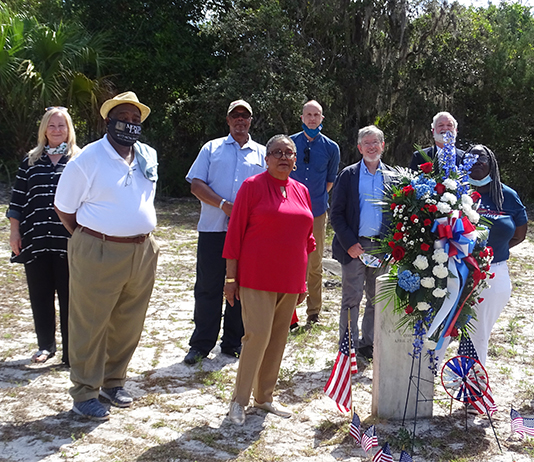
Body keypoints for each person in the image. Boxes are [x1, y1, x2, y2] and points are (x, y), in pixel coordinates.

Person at [54, 91, 159, 421]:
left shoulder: (148, 156)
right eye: (124, 118)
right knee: (90, 322)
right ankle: (84, 392)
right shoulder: (86, 159)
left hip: (142, 250)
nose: (129, 125)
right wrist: (93, 238)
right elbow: (64, 209)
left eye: (135, 120)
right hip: (98, 249)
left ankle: (113, 382)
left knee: (128, 322)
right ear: (108, 121)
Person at [223, 134, 315, 425]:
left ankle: (264, 398)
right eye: (277, 152)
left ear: (296, 160)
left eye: (289, 153)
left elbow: (308, 242)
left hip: (289, 280)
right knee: (257, 337)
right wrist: (230, 278)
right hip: (256, 277)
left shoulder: (301, 190)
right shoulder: (252, 187)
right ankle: (239, 401)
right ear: (267, 158)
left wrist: (302, 282)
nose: (283, 157)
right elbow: (234, 235)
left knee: (277, 340)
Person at [184, 100, 266, 365]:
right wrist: (224, 206)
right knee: (208, 287)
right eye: (235, 115)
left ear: (251, 121)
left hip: (248, 234)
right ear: (228, 120)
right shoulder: (211, 148)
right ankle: (201, 344)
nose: (240, 120)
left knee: (241, 288)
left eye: (245, 116)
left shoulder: (263, 154)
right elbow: (196, 184)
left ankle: (233, 343)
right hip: (213, 230)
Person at [7, 107, 79, 366]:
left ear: (69, 129)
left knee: (72, 298)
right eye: (52, 126)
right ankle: (46, 345)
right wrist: (15, 233)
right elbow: (17, 200)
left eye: (61, 126)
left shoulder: (80, 160)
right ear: (44, 130)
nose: (57, 130)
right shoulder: (30, 160)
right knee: (40, 294)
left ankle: (72, 352)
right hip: (35, 238)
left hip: (69, 241)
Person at [330, 125, 395, 360]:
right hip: (354, 247)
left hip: (382, 249)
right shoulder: (348, 175)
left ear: (383, 146)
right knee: (351, 298)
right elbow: (335, 214)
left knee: (376, 298)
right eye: (366, 143)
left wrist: (393, 245)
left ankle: (368, 343)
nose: (371, 147)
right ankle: (348, 345)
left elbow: (398, 214)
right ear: (359, 148)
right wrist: (349, 243)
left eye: (375, 142)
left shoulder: (393, 177)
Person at [465, 144, 527, 365]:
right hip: (455, 271)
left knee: (479, 333)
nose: (477, 162)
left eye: (482, 158)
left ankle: (475, 388)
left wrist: (494, 251)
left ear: (491, 163)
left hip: (493, 274)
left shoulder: (506, 195)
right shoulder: (455, 192)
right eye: (471, 158)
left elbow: (519, 234)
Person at [289, 100, 340, 326]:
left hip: (317, 212)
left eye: (316, 115)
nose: (312, 119)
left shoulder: (331, 148)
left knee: (315, 263)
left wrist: (313, 199)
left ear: (322, 119)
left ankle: (314, 311)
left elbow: (330, 181)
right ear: (301, 117)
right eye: (308, 114)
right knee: (289, 260)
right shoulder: (289, 143)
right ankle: (288, 312)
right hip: (290, 212)